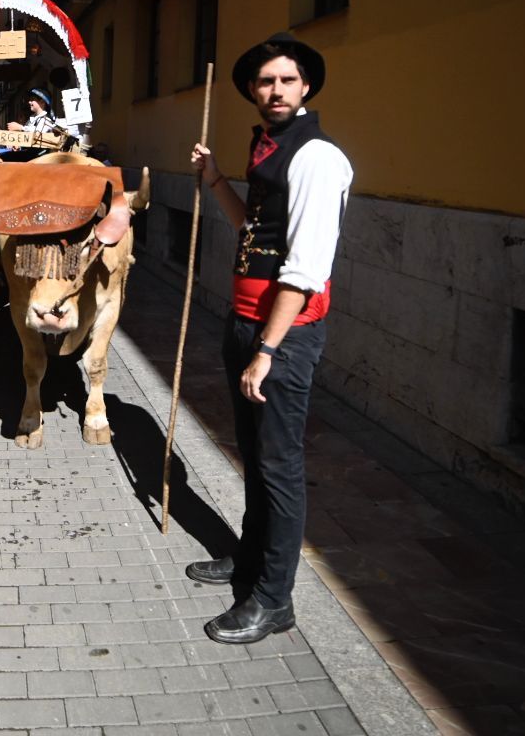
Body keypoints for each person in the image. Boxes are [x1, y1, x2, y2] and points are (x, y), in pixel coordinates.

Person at [187, 32, 353, 645]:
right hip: (247, 321)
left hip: (280, 335)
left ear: (305, 85)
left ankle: (273, 599)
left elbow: (306, 269)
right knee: (253, 456)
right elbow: (251, 228)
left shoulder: (316, 157)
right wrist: (214, 179)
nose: (275, 90)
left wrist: (266, 350)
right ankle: (248, 559)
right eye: (264, 82)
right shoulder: (267, 146)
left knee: (279, 466)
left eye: (286, 80)